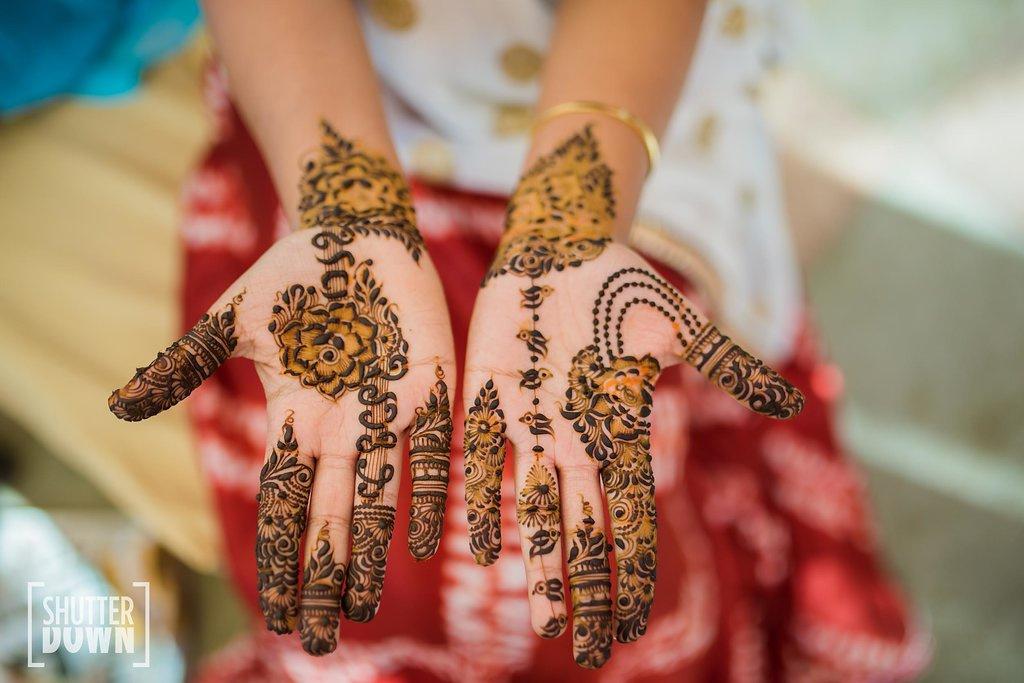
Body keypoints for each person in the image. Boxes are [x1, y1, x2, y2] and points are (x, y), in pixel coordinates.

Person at [110, 1, 928, 680]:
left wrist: (563, 227)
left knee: (594, 577)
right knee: (359, 555)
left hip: (625, 122)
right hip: (330, 116)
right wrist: (345, 211)